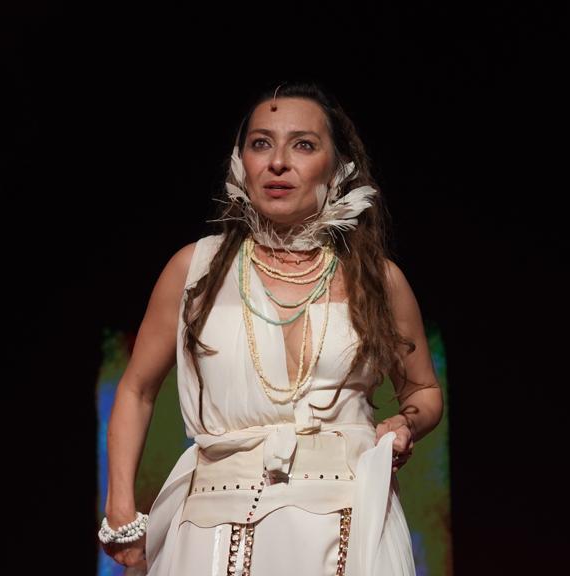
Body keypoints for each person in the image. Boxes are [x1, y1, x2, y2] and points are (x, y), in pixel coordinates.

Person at [100, 81, 444, 576]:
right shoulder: (194, 270)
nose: (278, 162)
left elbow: (423, 390)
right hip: (215, 527)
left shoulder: (377, 280)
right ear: (241, 162)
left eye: (303, 144)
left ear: (338, 167)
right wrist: (120, 507)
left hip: (344, 523)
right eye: (261, 143)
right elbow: (136, 390)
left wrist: (406, 423)